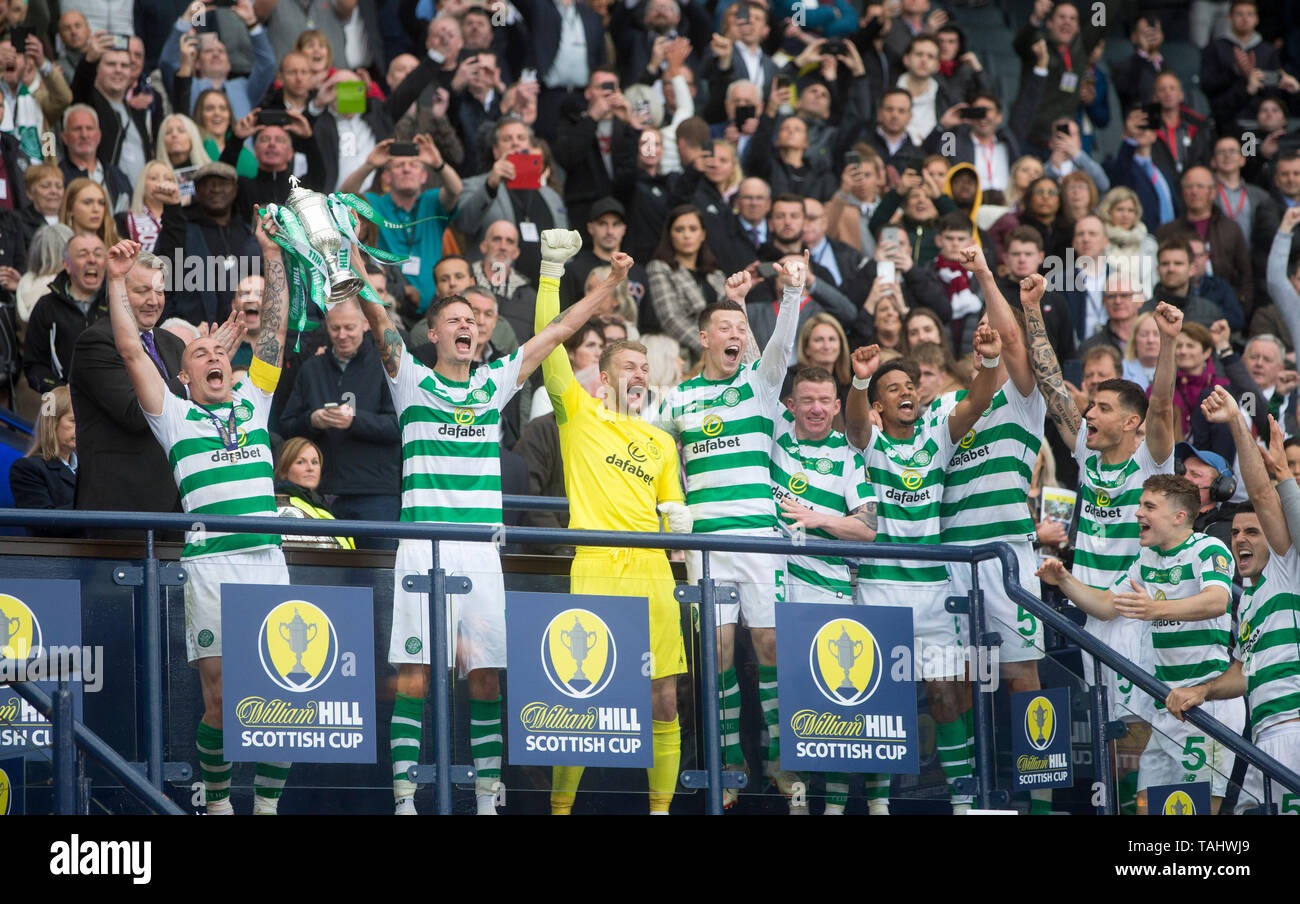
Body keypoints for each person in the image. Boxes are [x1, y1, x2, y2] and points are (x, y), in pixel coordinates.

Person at [359, 228, 640, 816]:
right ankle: (406, 799)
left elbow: (558, 332)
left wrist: (611, 285)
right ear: (432, 333)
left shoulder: (494, 384)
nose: (467, 327)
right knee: (415, 678)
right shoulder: (408, 378)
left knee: (484, 681)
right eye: (454, 320)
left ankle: (489, 799)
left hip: (480, 554)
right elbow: (378, 313)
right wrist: (353, 262)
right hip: (423, 552)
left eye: (474, 321)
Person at [109, 214, 291, 815]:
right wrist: (116, 282)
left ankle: (264, 808)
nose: (213, 356)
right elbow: (132, 348)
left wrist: (272, 254)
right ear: (183, 375)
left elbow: (275, 329)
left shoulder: (254, 401)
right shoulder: (174, 417)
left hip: (267, 560)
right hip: (212, 567)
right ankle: (217, 804)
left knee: (279, 698)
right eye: (200, 353)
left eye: (219, 350)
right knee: (220, 700)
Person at [531, 244, 690, 815]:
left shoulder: (662, 441)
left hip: (653, 577)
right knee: (581, 702)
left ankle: (660, 810)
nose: (641, 375)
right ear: (602, 375)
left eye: (647, 369)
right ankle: (560, 809)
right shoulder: (577, 412)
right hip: (596, 568)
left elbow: (675, 515)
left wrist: (686, 548)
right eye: (630, 367)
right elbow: (549, 340)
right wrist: (552, 272)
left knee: (662, 701)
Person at [652, 255, 806, 810]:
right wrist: (670, 508)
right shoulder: (677, 400)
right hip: (706, 547)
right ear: (703, 337)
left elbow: (783, 349)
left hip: (760, 543)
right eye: (726, 327)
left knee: (770, 646)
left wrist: (790, 296)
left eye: (742, 327)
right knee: (714, 654)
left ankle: (783, 759)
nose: (736, 333)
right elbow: (644, 453)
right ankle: (727, 763)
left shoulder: (760, 388)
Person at [1022, 282, 1181, 815]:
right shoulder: (1089, 461)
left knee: (1138, 742)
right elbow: (1050, 388)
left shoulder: (1150, 464)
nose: (1089, 415)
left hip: (1135, 618)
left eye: (1103, 409)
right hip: (1090, 614)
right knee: (1108, 748)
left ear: (1131, 423)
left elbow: (1160, 406)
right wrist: (1030, 311)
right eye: (1091, 407)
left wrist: (1167, 339)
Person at [1038, 473, 1238, 813]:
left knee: (1194, 812)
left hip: (1205, 706)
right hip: (1166, 705)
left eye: (1149, 506)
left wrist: (1154, 609)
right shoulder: (1147, 560)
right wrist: (1064, 580)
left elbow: (1217, 600)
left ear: (1179, 516)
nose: (1138, 513)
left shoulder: (1207, 548)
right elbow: (1105, 606)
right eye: (1139, 505)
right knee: (1145, 808)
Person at [954, 254, 1052, 819]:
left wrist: (987, 278)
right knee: (959, 680)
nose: (990, 338)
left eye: (993, 333)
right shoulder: (950, 409)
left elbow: (1016, 341)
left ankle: (1038, 799)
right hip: (950, 558)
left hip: (1006, 558)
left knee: (1022, 676)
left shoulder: (1023, 400)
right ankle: (971, 800)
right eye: (980, 336)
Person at [1168, 396, 1300, 815]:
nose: (1240, 538)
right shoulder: (1250, 601)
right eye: (1237, 532)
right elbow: (1243, 673)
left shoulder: (1288, 567)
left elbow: (1261, 493)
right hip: (1264, 737)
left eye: (1253, 532)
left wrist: (1237, 424)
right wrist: (1201, 691)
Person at [771, 365, 878, 814]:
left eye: (824, 402)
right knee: (784, 698)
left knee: (832, 706)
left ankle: (836, 807)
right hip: (776, 590)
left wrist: (819, 520)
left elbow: (868, 528)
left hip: (831, 594)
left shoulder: (850, 456)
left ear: (837, 407)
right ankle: (795, 802)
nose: (816, 409)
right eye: (806, 401)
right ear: (790, 406)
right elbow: (763, 364)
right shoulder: (771, 442)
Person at [278, 298, 401, 551]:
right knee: (329, 577)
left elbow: (400, 427)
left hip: (375, 494)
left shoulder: (386, 368)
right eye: (335, 329)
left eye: (349, 328)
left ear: (366, 324)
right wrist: (312, 420)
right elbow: (286, 427)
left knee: (380, 573)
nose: (342, 335)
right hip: (322, 495)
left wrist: (355, 420)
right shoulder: (313, 368)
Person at [22, 233, 107, 395]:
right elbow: (34, 366)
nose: (92, 260)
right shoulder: (46, 306)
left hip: (113, 404)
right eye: (83, 254)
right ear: (66, 265)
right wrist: (59, 391)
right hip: (67, 409)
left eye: (98, 254)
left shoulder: (118, 302)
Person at [646, 205, 725, 363]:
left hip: (721, 353)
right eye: (679, 229)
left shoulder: (716, 274)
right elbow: (671, 319)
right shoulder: (659, 268)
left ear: (702, 234)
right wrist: (709, 349)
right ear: (670, 235)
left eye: (693, 229)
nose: (687, 235)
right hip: (684, 358)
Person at [8, 384, 78, 536]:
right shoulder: (27, 469)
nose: (81, 428)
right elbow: (42, 524)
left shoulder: (90, 467)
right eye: (73, 421)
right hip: (58, 556)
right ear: (52, 423)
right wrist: (93, 502)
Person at [273, 436, 355, 550]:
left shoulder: (318, 503)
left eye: (315, 462)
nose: (310, 468)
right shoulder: (282, 505)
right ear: (284, 469)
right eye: (301, 462)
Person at [116, 160, 178, 253]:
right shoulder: (124, 220)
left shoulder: (184, 219)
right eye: (153, 178)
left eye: (168, 179)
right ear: (143, 185)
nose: (161, 183)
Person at [59, 177, 119, 247]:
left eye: (101, 203)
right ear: (70, 208)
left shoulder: (117, 247)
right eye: (87, 202)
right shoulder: (58, 246)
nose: (96, 209)